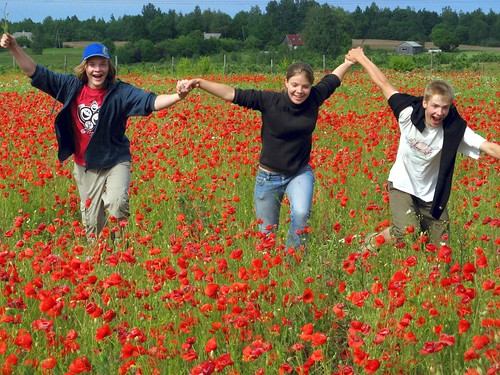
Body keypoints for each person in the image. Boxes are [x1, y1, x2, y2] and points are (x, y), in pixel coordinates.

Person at [1, 33, 189, 240]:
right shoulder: (70, 86)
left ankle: (119, 250)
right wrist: (14, 47)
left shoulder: (121, 92)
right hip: (85, 165)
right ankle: (98, 258)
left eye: (102, 64)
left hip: (115, 160)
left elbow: (151, 102)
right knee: (92, 224)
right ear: (85, 67)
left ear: (109, 68)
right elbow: (35, 72)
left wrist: (178, 96)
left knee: (118, 205)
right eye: (92, 64)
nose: (97, 69)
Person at [179, 58, 355, 251]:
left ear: (311, 86)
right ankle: (272, 264)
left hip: (299, 172)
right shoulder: (270, 101)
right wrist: (199, 83)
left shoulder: (314, 97)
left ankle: (292, 259)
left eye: (305, 86)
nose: (299, 91)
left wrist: (348, 62)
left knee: (302, 213)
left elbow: (333, 79)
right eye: (295, 85)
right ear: (286, 82)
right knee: (266, 233)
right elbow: (232, 93)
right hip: (269, 177)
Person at [345, 46, 500, 251]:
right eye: (435, 106)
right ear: (425, 103)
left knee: (442, 249)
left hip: (432, 195)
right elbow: (383, 83)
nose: (440, 112)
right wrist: (360, 57)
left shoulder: (454, 129)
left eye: (445, 107)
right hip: (402, 185)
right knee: (406, 232)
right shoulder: (407, 113)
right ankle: (372, 241)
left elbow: (488, 147)